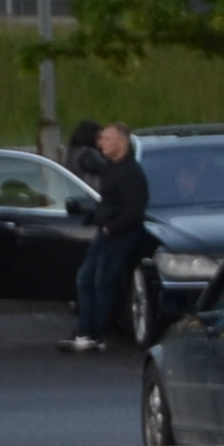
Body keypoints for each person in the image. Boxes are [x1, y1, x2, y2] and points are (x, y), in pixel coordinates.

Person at [66, 124, 150, 350]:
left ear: (121, 142)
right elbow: (108, 202)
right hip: (105, 233)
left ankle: (94, 333)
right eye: (100, 138)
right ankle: (86, 330)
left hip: (120, 236)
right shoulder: (110, 169)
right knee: (85, 278)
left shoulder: (131, 173)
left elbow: (134, 210)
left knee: (102, 281)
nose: (100, 142)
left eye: (106, 138)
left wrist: (112, 227)